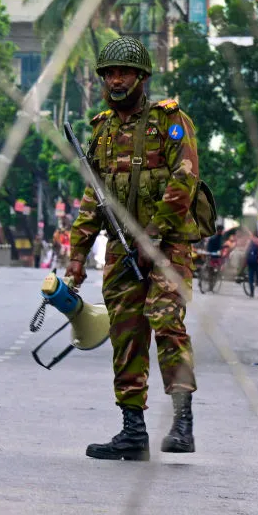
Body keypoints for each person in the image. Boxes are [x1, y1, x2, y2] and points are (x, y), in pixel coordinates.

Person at [66, 36, 199, 460]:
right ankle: (133, 430)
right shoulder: (102, 130)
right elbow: (94, 198)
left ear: (142, 77)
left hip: (168, 246)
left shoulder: (170, 122)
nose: (116, 80)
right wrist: (76, 257)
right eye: (109, 73)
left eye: (124, 72)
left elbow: (184, 181)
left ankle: (182, 423)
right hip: (122, 251)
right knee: (126, 334)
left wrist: (155, 235)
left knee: (165, 322)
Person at [245, 234, 258, 299]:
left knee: (250, 278)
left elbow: (246, 252)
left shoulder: (249, 241)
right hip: (257, 262)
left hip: (250, 262)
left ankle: (251, 293)